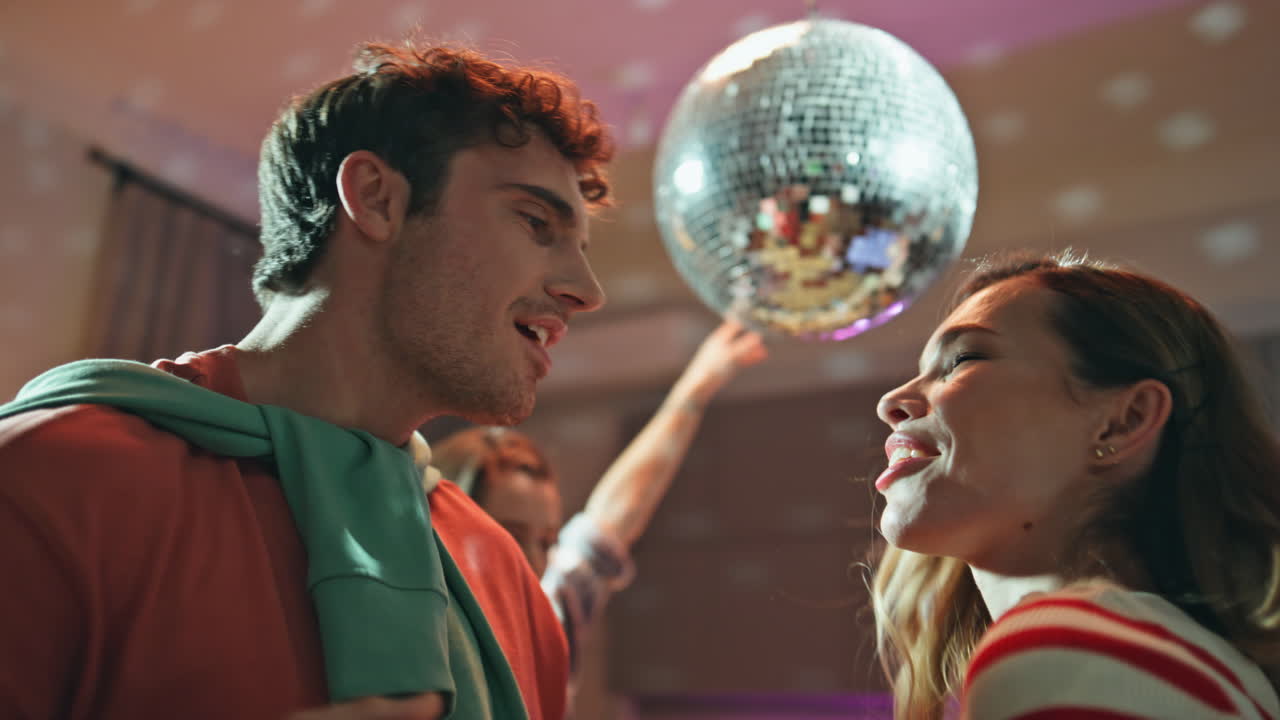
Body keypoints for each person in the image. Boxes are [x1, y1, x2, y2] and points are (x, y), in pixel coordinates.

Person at [0, 42, 614, 720]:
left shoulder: (502, 571)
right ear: (377, 199)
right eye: (535, 222)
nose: (587, 292)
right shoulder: (51, 477)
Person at [870, 250, 1280, 719]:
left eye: (963, 358)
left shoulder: (1077, 653)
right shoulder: (1195, 668)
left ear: (1124, 421)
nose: (891, 402)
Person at [428, 319, 765, 678]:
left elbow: (614, 516)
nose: (534, 563)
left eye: (547, 542)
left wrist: (695, 390)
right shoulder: (420, 644)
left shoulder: (549, 616)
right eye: (510, 538)